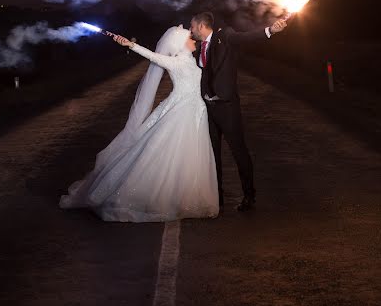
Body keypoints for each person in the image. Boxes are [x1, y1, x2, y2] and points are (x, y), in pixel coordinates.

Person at [59, 26, 219, 222]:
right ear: (180, 43)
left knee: (191, 152)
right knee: (171, 151)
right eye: (190, 37)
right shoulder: (175, 62)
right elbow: (153, 56)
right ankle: (165, 196)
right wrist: (131, 45)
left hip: (195, 110)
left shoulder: (192, 61)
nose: (193, 39)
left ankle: (186, 194)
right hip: (181, 110)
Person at [190, 12, 287, 212]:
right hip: (208, 109)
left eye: (192, 27)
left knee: (239, 152)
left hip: (227, 107)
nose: (190, 31)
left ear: (201, 26)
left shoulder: (225, 36)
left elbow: (246, 38)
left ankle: (249, 196)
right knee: (212, 155)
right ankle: (217, 198)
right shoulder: (198, 48)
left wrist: (270, 30)